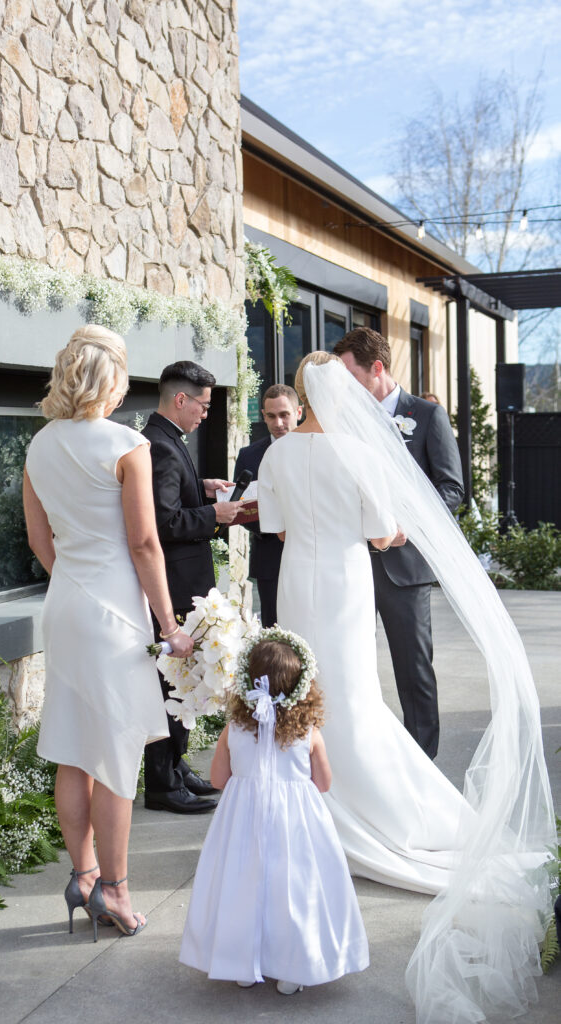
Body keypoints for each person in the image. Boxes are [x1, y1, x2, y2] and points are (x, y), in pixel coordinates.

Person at [258, 350, 554, 1022]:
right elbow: (380, 531)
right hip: (342, 577)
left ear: (297, 395)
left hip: (295, 581)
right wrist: (387, 529)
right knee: (354, 694)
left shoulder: (274, 457)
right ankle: (376, 805)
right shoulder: (356, 454)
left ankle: (319, 801)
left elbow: (272, 528)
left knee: (306, 692)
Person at [24, 325, 194, 940]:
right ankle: (117, 894)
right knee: (117, 754)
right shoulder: (128, 443)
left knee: (75, 749)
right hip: (114, 614)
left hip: (67, 604)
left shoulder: (39, 446)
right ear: (113, 381)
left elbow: (40, 541)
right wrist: (170, 625)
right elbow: (145, 541)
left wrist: (75, 581)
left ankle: (85, 876)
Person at [179, 631, 369, 994]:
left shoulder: (233, 729)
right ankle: (294, 967)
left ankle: (241, 962)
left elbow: (218, 779)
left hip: (242, 821)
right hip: (295, 823)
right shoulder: (309, 734)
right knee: (294, 887)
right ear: (302, 686)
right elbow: (324, 784)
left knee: (242, 882)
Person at [333, 328, 463, 758]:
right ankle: (362, 757)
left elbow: (452, 489)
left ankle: (423, 760)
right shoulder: (343, 418)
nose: (345, 386)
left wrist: (407, 521)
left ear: (377, 368)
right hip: (349, 559)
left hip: (404, 568)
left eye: (350, 374)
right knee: (351, 663)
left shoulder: (426, 416)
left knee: (413, 669)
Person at [142, 360, 243, 813]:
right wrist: (214, 515)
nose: (206, 413)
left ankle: (176, 764)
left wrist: (200, 489)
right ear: (179, 399)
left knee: (181, 679)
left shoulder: (167, 439)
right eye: (202, 404)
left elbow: (171, 497)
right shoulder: (160, 446)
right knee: (173, 681)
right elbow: (162, 522)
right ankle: (162, 783)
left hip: (184, 579)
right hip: (177, 584)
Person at [234, 384, 302, 626]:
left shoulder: (317, 449)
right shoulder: (248, 455)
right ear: (263, 415)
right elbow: (243, 509)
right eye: (271, 416)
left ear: (299, 412)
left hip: (312, 554)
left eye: (285, 415)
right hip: (270, 558)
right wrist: (277, 526)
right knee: (274, 630)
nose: (279, 423)